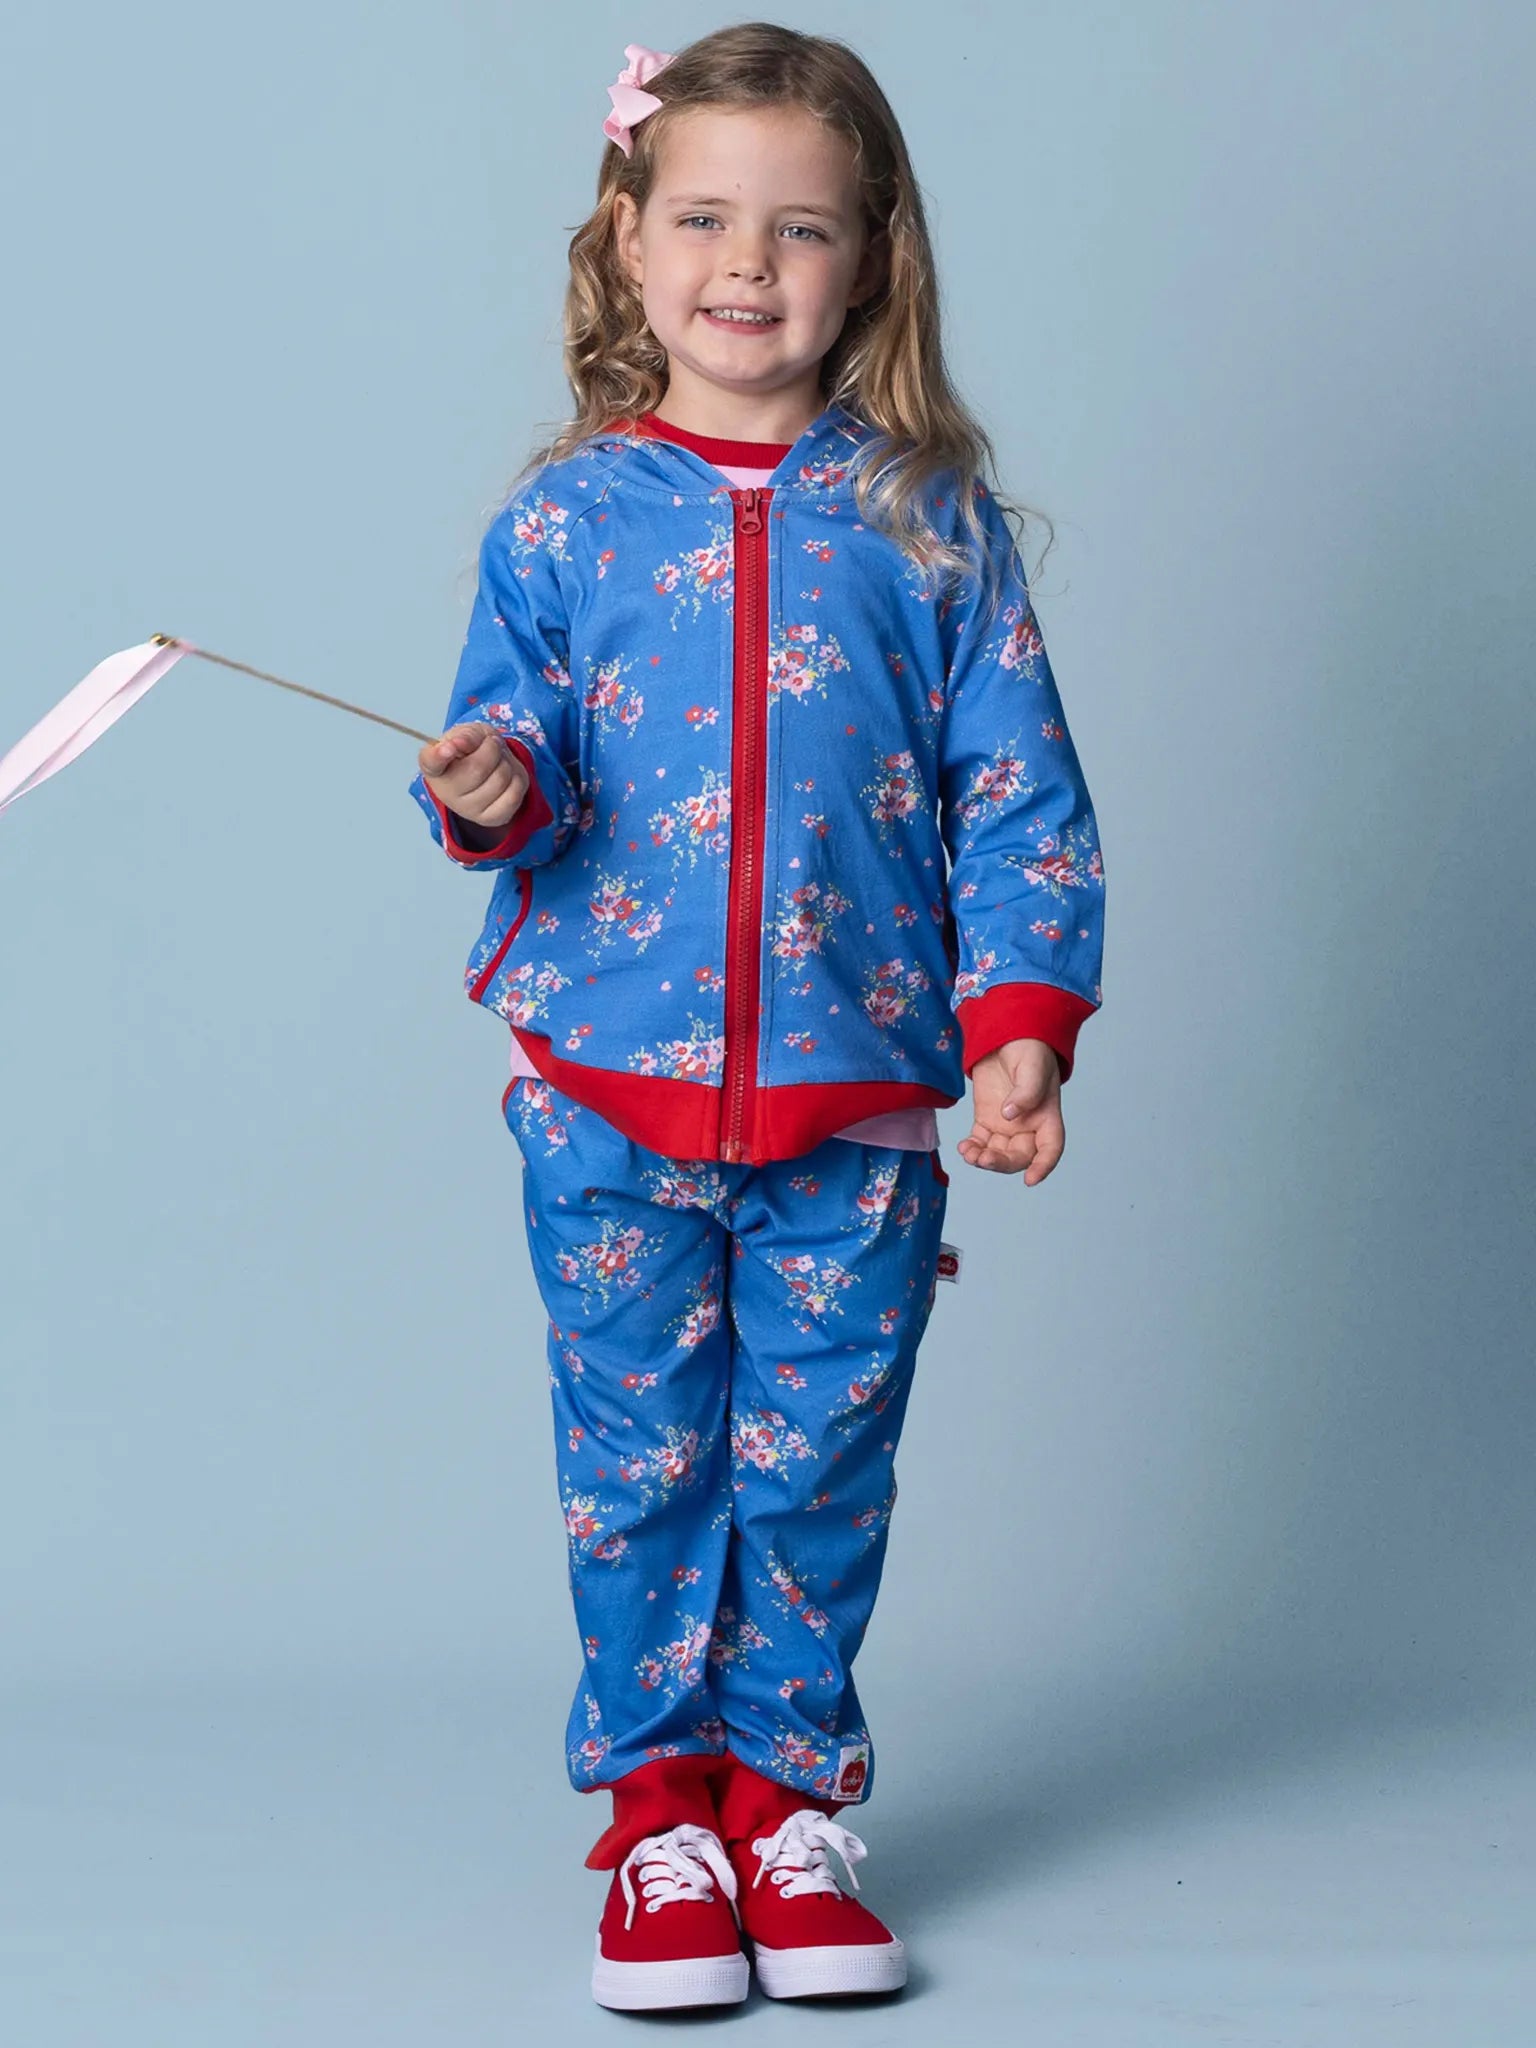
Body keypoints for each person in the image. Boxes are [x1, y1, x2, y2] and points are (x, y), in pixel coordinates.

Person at [409, 23, 1106, 2014]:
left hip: (862, 1102)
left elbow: (1022, 797)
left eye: (797, 229)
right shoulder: (560, 522)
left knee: (816, 1469)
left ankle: (788, 1807)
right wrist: (485, 788)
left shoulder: (929, 523)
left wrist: (1025, 1027)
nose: (745, 265)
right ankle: (658, 1830)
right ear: (625, 241)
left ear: (871, 258)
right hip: (606, 1094)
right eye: (702, 218)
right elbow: (512, 752)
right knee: (636, 1464)